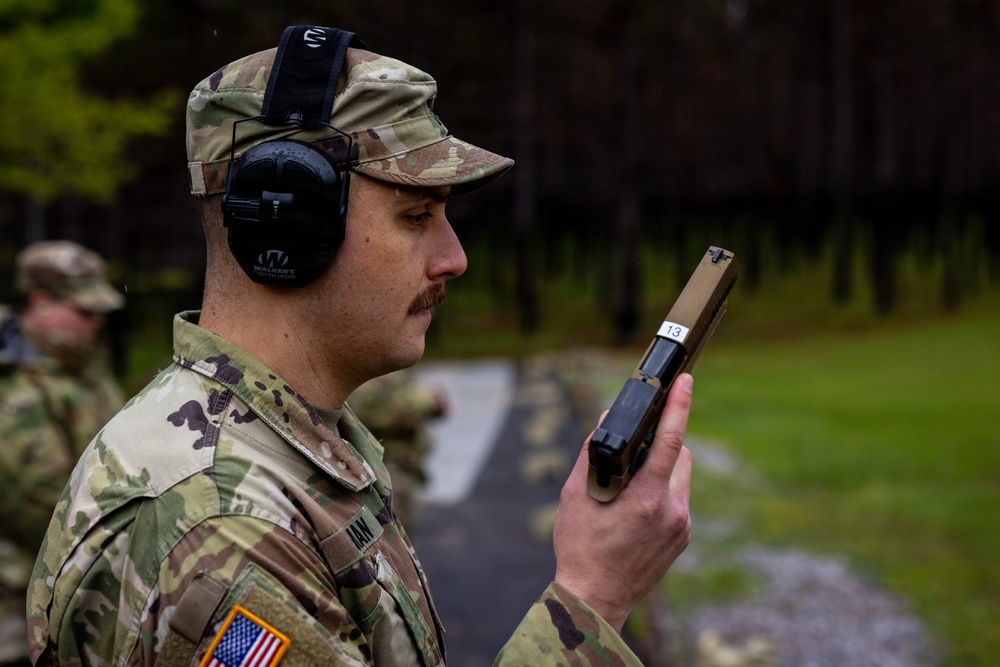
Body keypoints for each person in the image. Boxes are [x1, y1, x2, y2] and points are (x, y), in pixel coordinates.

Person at [27, 26, 693, 667]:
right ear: (286, 219)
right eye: (416, 217)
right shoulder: (220, 526)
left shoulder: (286, 448)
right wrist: (593, 596)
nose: (453, 258)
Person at [0, 240, 125, 666]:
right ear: (42, 303)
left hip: (87, 585)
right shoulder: (15, 384)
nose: (95, 324)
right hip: (23, 610)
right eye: (84, 311)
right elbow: (44, 508)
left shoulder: (81, 367)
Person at [348, 371, 447, 531]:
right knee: (394, 523)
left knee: (403, 519)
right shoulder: (365, 381)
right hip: (382, 464)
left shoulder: (397, 371)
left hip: (402, 462)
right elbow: (368, 414)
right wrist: (424, 403)